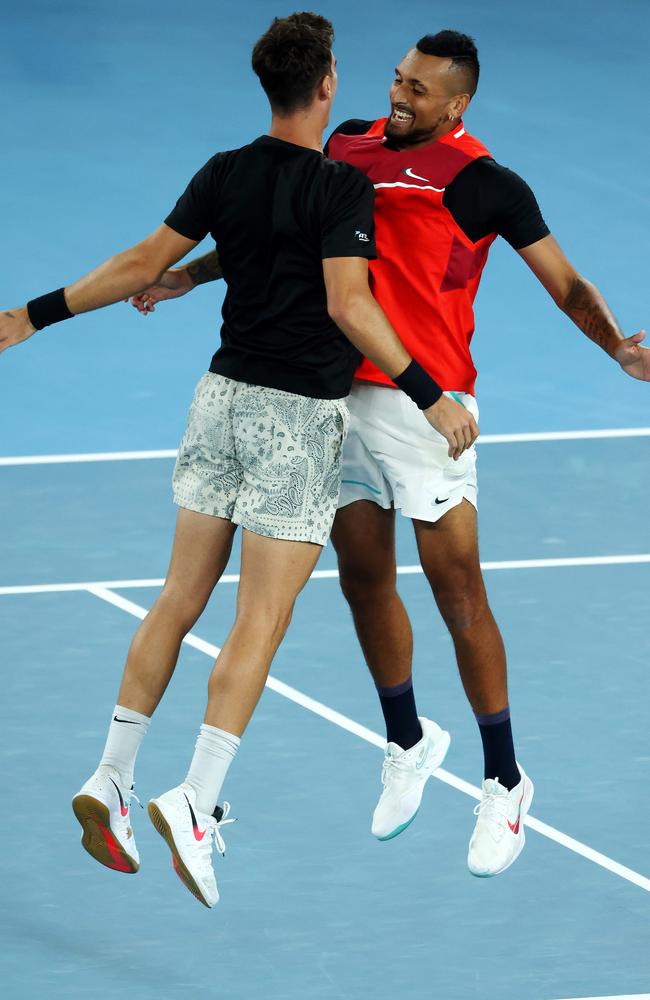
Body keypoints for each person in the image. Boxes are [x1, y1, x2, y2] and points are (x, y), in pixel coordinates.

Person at [134, 29, 649, 880]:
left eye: (421, 89)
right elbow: (297, 242)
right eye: (398, 79)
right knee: (363, 578)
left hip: (432, 408)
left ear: (460, 104)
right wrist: (192, 275)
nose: (401, 96)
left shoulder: (487, 184)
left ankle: (505, 778)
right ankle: (407, 741)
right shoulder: (347, 147)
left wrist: (618, 353)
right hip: (338, 395)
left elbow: (565, 283)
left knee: (459, 592)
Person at [0, 13, 478, 908]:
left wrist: (29, 316)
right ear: (327, 82)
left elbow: (143, 261)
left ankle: (111, 776)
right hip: (297, 420)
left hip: (217, 402)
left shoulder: (224, 172)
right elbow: (349, 304)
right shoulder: (339, 186)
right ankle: (196, 800)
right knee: (259, 617)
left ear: (270, 85)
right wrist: (428, 392)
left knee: (178, 599)